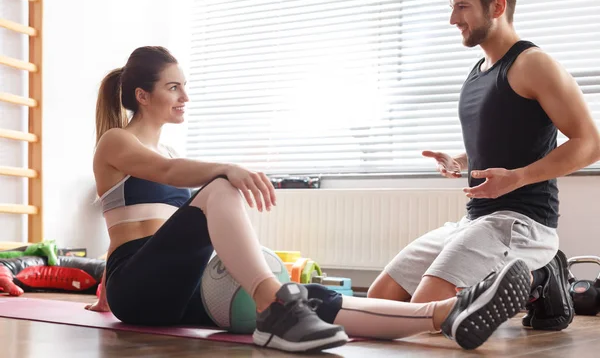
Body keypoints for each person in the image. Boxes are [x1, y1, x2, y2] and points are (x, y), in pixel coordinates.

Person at [81, 45, 535, 352]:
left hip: (172, 289)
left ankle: (446, 313)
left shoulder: (171, 152)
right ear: (142, 95)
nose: (185, 96)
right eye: (173, 87)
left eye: (184, 85)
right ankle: (274, 307)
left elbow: (158, 228)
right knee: (221, 187)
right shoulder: (115, 143)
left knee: (308, 295)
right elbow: (161, 178)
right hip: (136, 287)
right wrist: (228, 168)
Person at [368, 0, 600, 332]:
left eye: (462, 7)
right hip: (475, 219)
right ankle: (516, 282)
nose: (452, 19)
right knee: (381, 300)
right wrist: (460, 160)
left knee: (424, 312)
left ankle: (539, 278)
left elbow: (590, 143)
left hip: (522, 221)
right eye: (452, 7)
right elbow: (506, 140)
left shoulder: (532, 64)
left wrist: (518, 178)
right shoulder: (477, 72)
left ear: (497, 6)